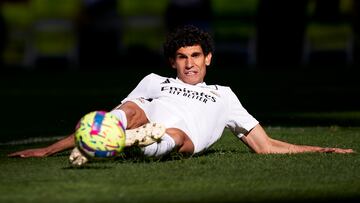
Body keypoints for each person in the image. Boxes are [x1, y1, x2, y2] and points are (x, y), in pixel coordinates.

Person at [8, 25, 354, 165]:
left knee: (170, 133)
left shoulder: (224, 95)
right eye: (182, 57)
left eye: (196, 56)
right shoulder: (155, 80)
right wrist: (46, 150)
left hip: (178, 138)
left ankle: (137, 144)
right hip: (141, 123)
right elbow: (103, 122)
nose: (190, 64)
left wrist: (322, 149)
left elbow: (264, 145)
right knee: (130, 108)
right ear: (173, 61)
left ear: (208, 59)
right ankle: (125, 141)